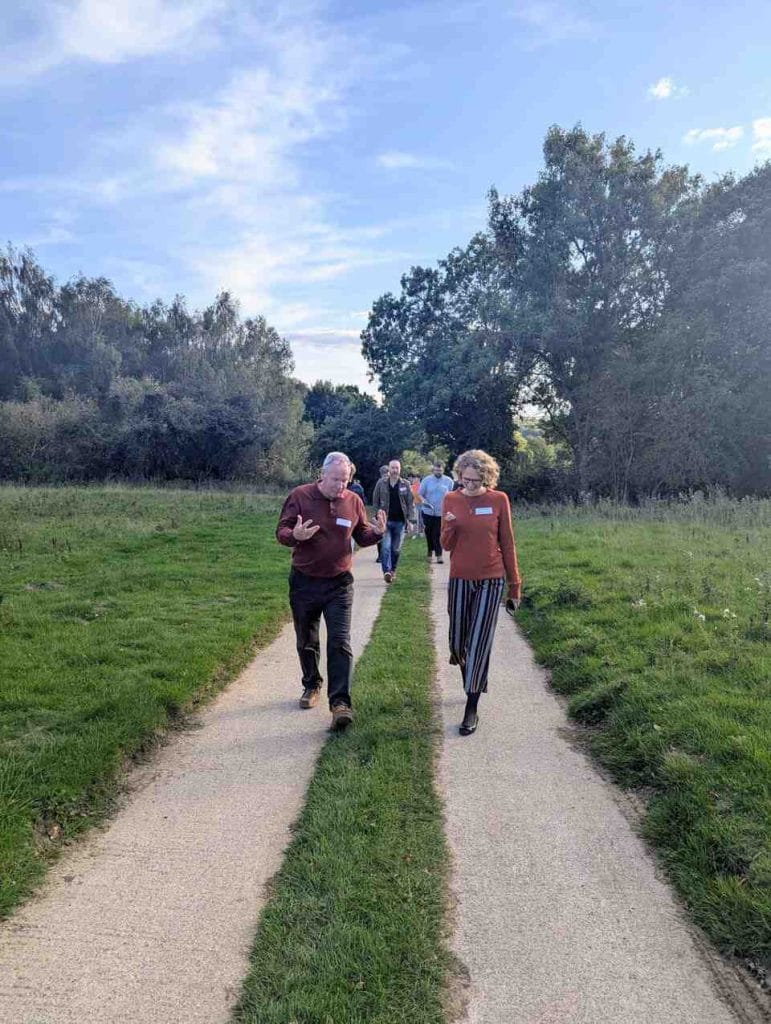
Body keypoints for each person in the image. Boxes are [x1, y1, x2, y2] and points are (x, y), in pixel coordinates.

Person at [276, 452, 386, 731]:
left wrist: (378, 533)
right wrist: (295, 536)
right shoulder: (300, 496)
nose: (340, 486)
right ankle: (311, 684)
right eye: (336, 479)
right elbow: (282, 531)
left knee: (339, 641)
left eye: (345, 480)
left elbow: (361, 535)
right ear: (322, 475)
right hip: (304, 581)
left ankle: (340, 703)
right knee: (306, 640)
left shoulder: (353, 501)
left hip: (339, 583)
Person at [440, 449, 522, 736]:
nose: (470, 485)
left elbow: (508, 544)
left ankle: (471, 705)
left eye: (476, 480)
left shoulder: (499, 500)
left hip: (491, 579)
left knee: (478, 642)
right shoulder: (451, 499)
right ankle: (470, 683)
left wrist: (515, 586)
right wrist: (450, 525)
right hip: (460, 578)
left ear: (486, 477)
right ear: (459, 476)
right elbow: (446, 544)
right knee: (458, 643)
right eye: (465, 479)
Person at [372, 459, 414, 584]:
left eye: (397, 468)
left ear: (400, 469)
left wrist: (411, 520)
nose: (394, 470)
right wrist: (376, 517)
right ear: (389, 469)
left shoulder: (405, 484)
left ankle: (393, 570)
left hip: (400, 522)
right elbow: (375, 501)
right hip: (385, 522)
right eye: (392, 468)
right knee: (385, 547)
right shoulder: (381, 483)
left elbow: (410, 503)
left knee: (395, 549)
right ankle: (387, 572)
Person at [418, 461, 454, 564]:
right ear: (433, 470)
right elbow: (420, 494)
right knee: (429, 533)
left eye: (440, 470)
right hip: (428, 511)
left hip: (441, 513)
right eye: (436, 470)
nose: (438, 472)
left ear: (443, 470)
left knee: (438, 533)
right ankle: (430, 552)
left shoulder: (449, 481)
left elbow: (451, 496)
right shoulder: (426, 480)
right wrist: (424, 502)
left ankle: (439, 555)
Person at [373, 464, 388, 563]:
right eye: (384, 474)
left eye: (387, 474)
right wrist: (377, 512)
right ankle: (380, 555)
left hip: (393, 513)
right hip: (382, 512)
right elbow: (375, 498)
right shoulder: (379, 483)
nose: (385, 476)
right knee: (380, 535)